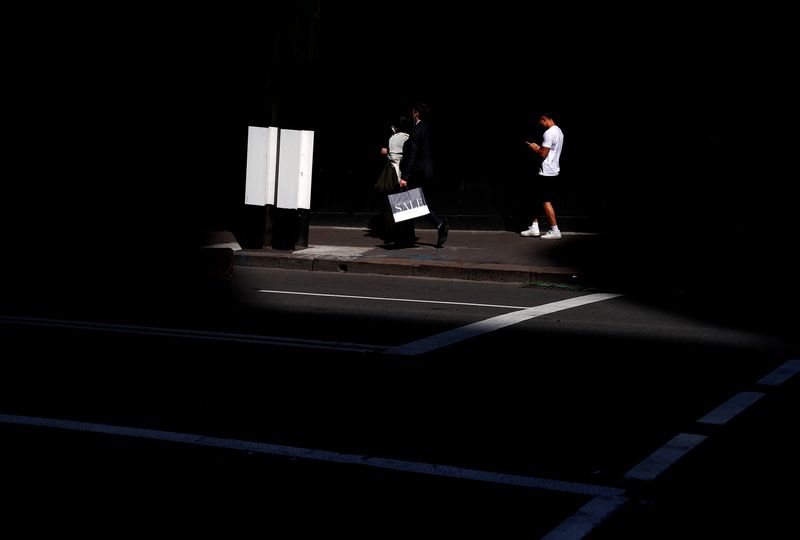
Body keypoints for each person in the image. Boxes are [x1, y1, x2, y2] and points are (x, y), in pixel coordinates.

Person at [399, 102, 449, 248]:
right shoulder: (430, 128)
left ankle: (439, 224)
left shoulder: (417, 129)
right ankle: (409, 236)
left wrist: (405, 176)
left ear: (416, 114)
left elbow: (412, 155)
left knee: (413, 202)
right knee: (413, 201)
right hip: (429, 171)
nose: (411, 114)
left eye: (413, 111)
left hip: (417, 172)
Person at [521, 112, 564, 239]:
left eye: (540, 122)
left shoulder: (549, 132)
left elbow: (543, 154)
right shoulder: (559, 131)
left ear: (543, 119)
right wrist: (540, 148)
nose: (539, 125)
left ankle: (555, 230)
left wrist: (534, 148)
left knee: (545, 200)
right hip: (551, 170)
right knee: (536, 198)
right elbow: (549, 151)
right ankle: (534, 227)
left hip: (546, 172)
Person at [372, 116, 411, 242]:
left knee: (391, 201)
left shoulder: (392, 138)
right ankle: (404, 232)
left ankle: (392, 231)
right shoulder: (408, 138)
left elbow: (387, 153)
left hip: (391, 172)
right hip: (402, 173)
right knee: (404, 201)